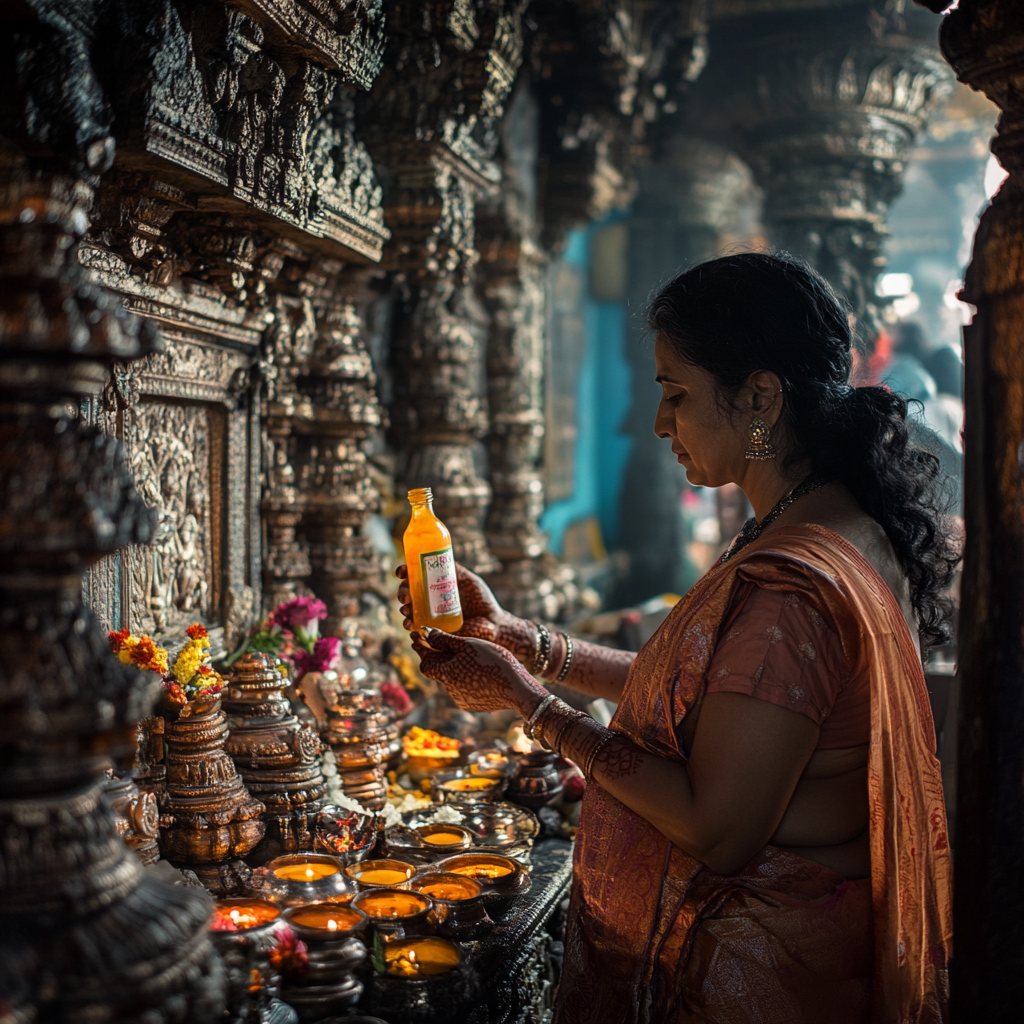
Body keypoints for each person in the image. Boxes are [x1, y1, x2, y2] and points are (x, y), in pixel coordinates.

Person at [396, 252, 957, 1023]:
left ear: (760, 395)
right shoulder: (831, 520)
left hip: (758, 974)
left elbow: (714, 829)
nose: (660, 423)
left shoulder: (791, 590)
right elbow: (706, 699)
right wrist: (527, 642)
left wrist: (526, 703)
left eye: (676, 393)